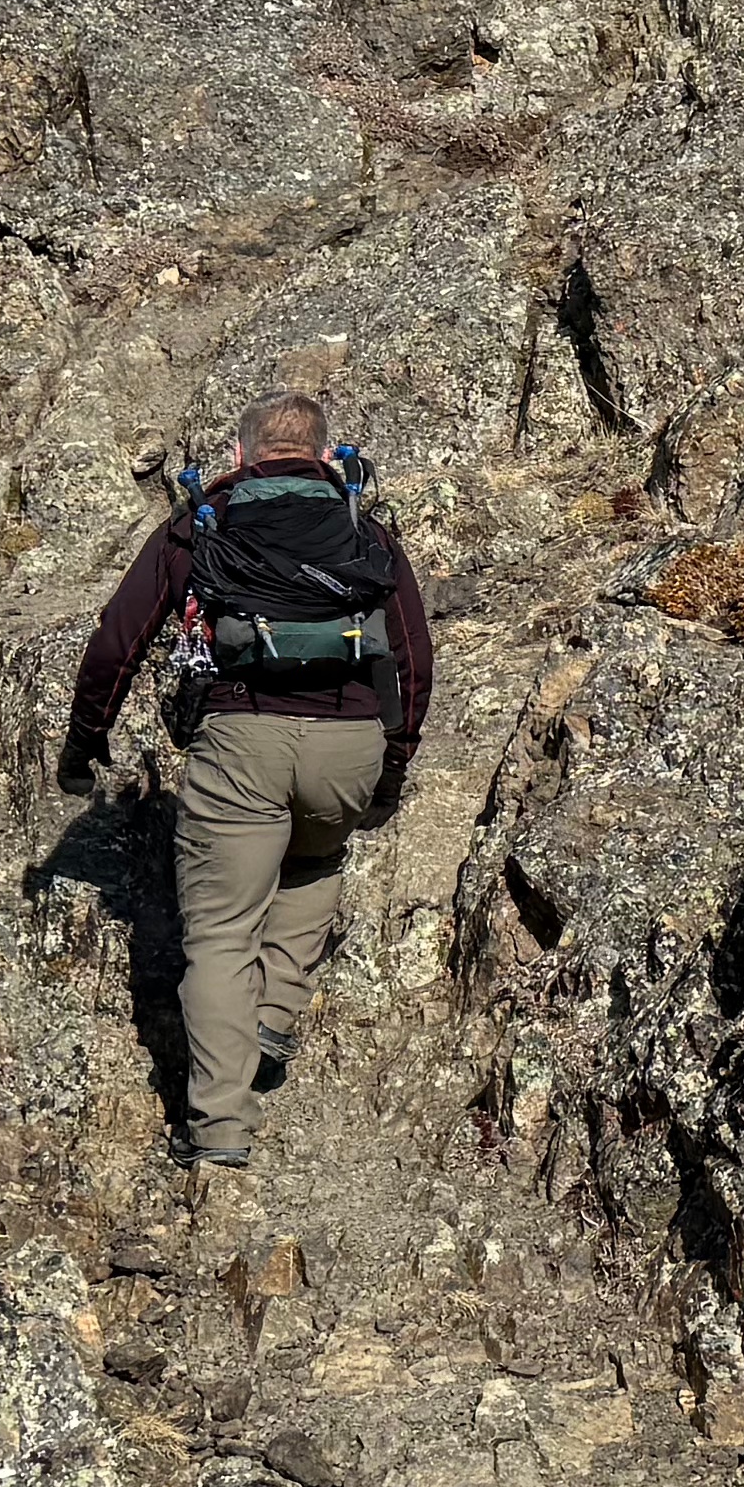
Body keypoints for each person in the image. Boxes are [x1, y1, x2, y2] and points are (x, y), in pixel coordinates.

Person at [57, 395, 431, 1243]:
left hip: (239, 736)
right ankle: (271, 1018)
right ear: (328, 454)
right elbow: (412, 650)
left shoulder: (203, 522)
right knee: (315, 865)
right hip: (347, 744)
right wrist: (393, 761)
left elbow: (121, 639)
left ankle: (221, 1130)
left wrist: (86, 744)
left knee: (220, 934)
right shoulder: (362, 527)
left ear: (241, 448)